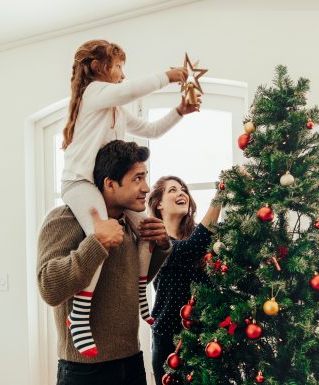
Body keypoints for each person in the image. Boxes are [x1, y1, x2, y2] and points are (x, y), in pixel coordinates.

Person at [60, 39, 199, 357]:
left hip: (102, 185)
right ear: (98, 68)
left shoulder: (116, 110)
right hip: (79, 183)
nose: (123, 74)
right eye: (119, 66)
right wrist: (169, 76)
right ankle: (79, 314)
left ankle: (141, 296)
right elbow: (128, 90)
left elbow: (151, 130)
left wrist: (180, 111)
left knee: (147, 230)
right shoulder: (93, 93)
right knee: (104, 234)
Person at [38, 140, 171, 385]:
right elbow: (49, 287)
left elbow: (127, 282)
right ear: (110, 183)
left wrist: (161, 246)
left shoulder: (129, 223)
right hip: (85, 370)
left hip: (131, 361)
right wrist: (96, 243)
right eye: (137, 179)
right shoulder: (65, 219)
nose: (147, 187)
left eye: (145, 177)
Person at [146, 176, 222, 385]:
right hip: (169, 341)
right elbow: (188, 250)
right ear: (159, 203)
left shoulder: (204, 237)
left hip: (206, 336)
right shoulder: (156, 240)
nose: (181, 193)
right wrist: (221, 195)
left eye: (183, 190)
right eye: (172, 190)